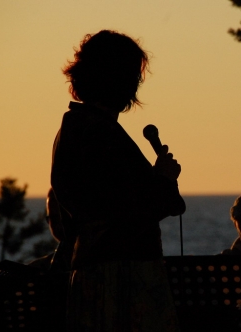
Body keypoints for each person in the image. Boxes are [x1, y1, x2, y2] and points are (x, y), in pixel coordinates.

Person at [51, 30, 186, 331]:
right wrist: (162, 178)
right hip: (122, 274)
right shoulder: (100, 133)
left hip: (94, 268)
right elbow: (130, 207)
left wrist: (157, 180)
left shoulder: (77, 127)